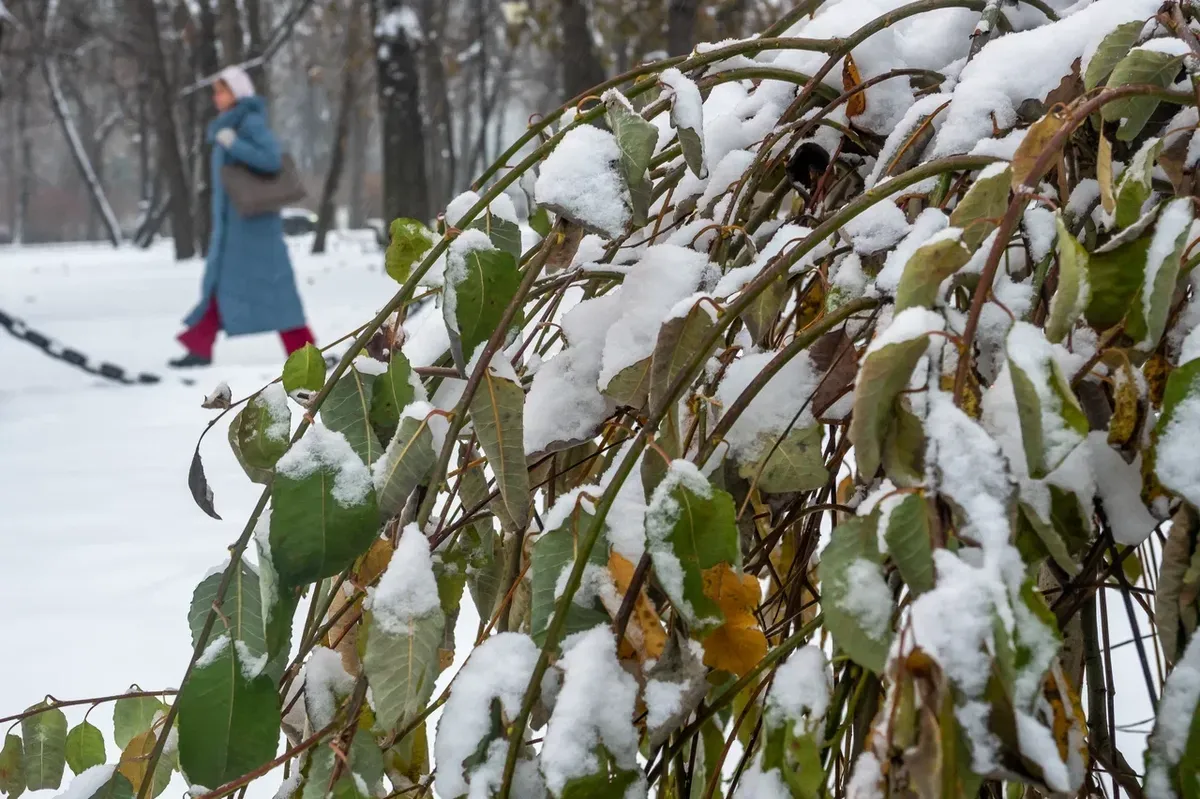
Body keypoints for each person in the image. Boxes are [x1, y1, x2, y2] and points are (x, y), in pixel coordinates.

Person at [171, 65, 315, 367]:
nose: (216, 97)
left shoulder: (247, 123)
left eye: (221, 91)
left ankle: (304, 350)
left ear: (237, 92)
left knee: (275, 290)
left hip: (255, 229)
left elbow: (271, 159)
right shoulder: (230, 124)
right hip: (237, 227)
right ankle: (200, 345)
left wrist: (233, 143)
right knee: (221, 286)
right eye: (215, 91)